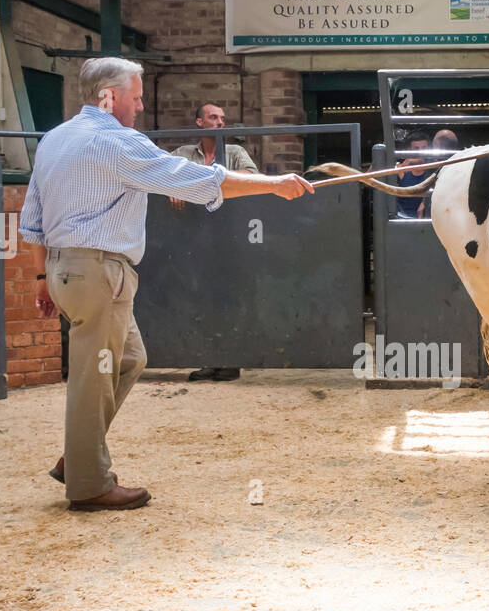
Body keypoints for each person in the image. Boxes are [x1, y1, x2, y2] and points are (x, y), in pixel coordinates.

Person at [19, 57, 312, 511]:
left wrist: (42, 275)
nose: (139, 107)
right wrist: (272, 184)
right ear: (108, 97)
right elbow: (194, 180)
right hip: (99, 271)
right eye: (135, 98)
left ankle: (78, 456)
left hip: (65, 270)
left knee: (131, 358)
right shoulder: (116, 142)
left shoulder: (54, 140)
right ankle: (89, 483)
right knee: (93, 377)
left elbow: (32, 216)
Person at [171, 101, 258, 383]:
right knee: (200, 299)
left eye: (222, 118)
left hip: (229, 237)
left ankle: (231, 360)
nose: (220, 122)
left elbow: (250, 177)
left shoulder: (234, 152)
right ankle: (209, 359)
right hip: (194, 240)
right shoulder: (184, 153)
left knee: (229, 299)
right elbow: (160, 173)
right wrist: (174, 186)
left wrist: (194, 184)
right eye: (213, 117)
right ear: (199, 122)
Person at [395, 131, 431, 219]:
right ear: (409, 150)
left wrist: (424, 202)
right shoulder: (402, 168)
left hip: (428, 218)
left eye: (424, 148)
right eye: (416, 148)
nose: (421, 152)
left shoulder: (433, 168)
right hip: (403, 218)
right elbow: (373, 173)